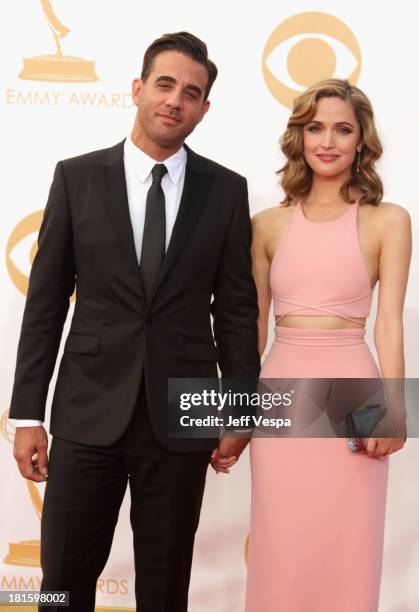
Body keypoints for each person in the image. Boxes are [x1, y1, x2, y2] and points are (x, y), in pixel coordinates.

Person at [9, 31, 259, 612]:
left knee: (165, 586)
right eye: (165, 84)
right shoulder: (76, 178)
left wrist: (241, 412)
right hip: (86, 413)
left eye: (191, 92)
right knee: (62, 582)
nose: (175, 100)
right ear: (138, 89)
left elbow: (238, 311)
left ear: (204, 109)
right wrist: (27, 415)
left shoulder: (226, 191)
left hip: (182, 417)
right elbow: (44, 304)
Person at [244, 79, 411, 612]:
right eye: (316, 128)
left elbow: (388, 323)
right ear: (299, 136)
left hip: (355, 399)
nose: (328, 141)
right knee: (281, 543)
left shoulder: (389, 221)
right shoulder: (266, 225)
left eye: (343, 129)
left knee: (349, 544)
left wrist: (395, 410)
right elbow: (254, 325)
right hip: (280, 392)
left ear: (362, 140)